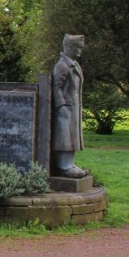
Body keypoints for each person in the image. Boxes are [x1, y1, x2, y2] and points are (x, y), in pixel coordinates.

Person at [51, 33, 87, 178]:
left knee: (73, 136)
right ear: (69, 47)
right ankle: (63, 165)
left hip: (74, 107)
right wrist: (61, 105)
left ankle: (70, 163)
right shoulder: (62, 65)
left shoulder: (74, 64)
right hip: (66, 108)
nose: (80, 51)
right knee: (64, 137)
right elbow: (56, 86)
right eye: (78, 47)